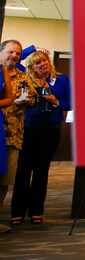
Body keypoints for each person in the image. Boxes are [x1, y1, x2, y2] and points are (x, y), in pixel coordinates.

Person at [10, 50, 70, 224]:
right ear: (32, 67)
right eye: (37, 63)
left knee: (41, 171)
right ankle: (18, 212)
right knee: (23, 171)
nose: (42, 64)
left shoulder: (61, 80)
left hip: (50, 130)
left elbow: (70, 102)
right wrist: (32, 50)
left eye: (44, 60)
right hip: (28, 129)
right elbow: (15, 59)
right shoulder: (26, 79)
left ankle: (37, 210)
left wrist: (55, 101)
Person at [0, 40, 35, 227]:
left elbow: (32, 100)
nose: (14, 55)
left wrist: (26, 101)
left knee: (4, 181)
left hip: (12, 135)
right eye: (10, 51)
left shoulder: (23, 77)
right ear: (1, 51)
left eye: (18, 53)